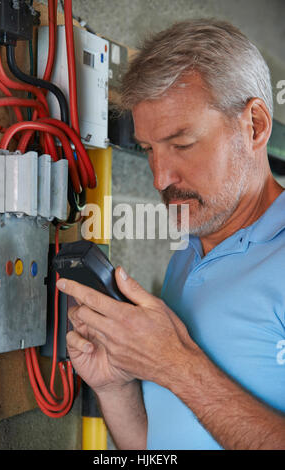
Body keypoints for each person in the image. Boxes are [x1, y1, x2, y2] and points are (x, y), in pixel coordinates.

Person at [56, 19, 285, 450]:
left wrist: (176, 365)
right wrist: (116, 386)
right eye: (148, 149)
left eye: (181, 144)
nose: (160, 177)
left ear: (253, 125)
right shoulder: (189, 254)